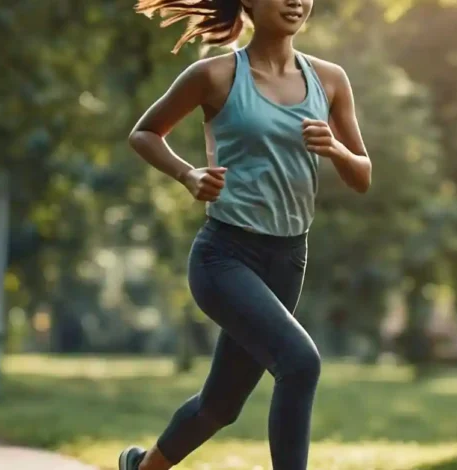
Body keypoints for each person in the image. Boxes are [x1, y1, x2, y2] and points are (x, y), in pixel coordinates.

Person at [119, 0, 371, 469]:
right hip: (225, 256)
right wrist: (188, 175)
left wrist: (335, 149)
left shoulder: (329, 79)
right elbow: (145, 133)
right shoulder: (215, 75)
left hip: (289, 258)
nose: (297, 1)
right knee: (300, 362)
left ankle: (142, 467)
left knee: (220, 405)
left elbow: (363, 175)